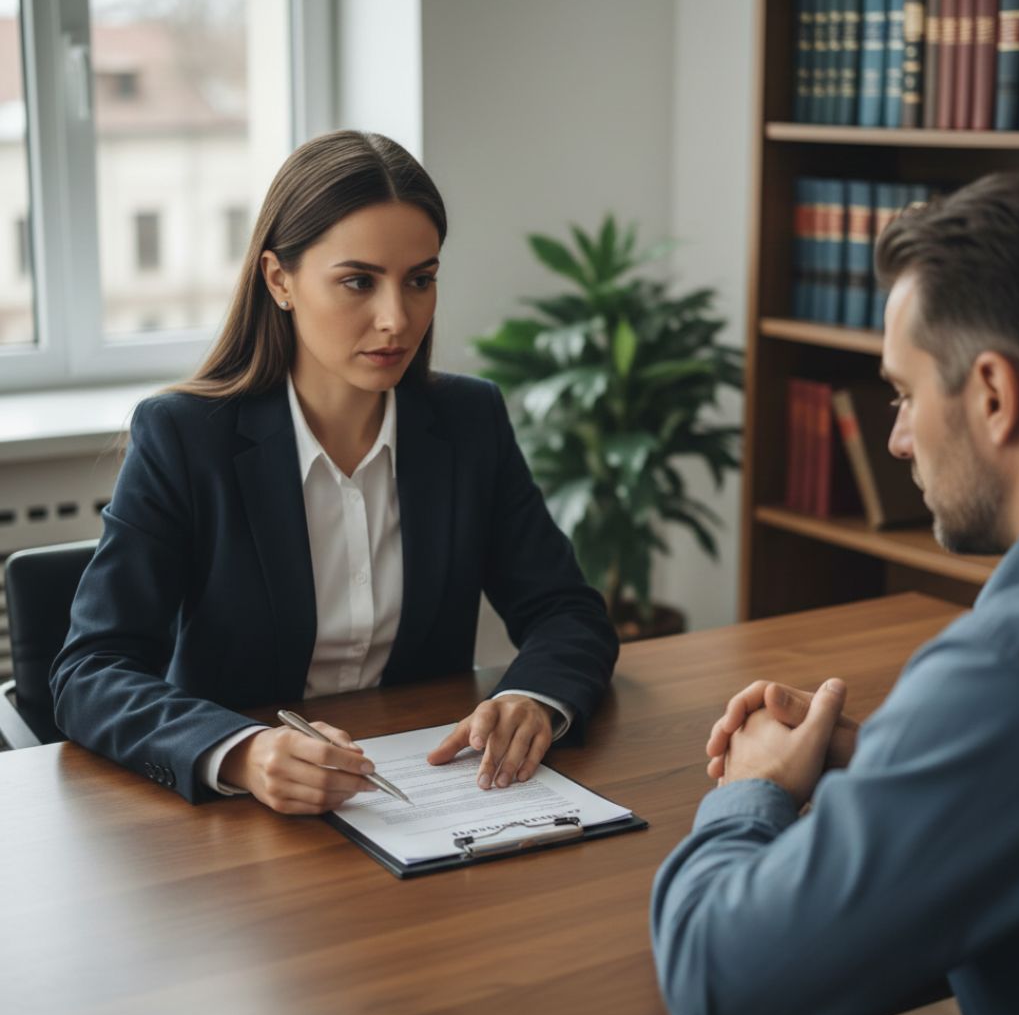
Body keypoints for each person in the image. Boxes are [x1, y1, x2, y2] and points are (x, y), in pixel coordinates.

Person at [51, 130, 618, 815]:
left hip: (422, 799)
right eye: (358, 281)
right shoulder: (183, 437)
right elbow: (90, 672)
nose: (396, 318)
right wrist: (243, 751)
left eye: (421, 280)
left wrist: (532, 697)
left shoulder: (468, 423)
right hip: (242, 826)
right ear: (279, 280)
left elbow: (565, 610)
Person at [650, 171, 1019, 1015]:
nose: (894, 440)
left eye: (902, 393)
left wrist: (751, 789)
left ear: (995, 395)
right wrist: (889, 759)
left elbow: (716, 982)